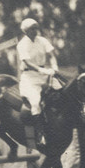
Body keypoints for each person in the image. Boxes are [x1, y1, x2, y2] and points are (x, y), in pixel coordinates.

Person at [16, 17, 61, 145]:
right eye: (32, 29)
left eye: (36, 28)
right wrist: (42, 71)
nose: (35, 31)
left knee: (62, 91)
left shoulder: (42, 40)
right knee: (35, 102)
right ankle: (41, 134)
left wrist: (54, 66)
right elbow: (27, 63)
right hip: (29, 77)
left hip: (45, 73)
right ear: (26, 31)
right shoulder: (22, 45)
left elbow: (51, 55)